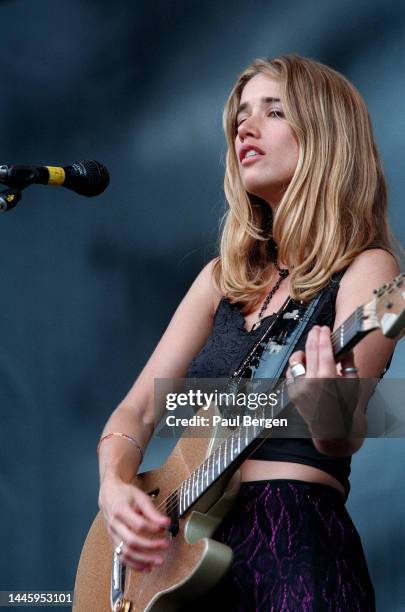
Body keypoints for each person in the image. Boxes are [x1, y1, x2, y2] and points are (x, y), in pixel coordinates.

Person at [97, 55, 400, 611]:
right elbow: (136, 413)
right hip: (183, 557)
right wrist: (115, 487)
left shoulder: (370, 272)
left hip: (291, 538)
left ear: (327, 137)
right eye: (241, 116)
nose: (245, 127)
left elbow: (345, 431)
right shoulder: (220, 279)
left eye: (274, 111)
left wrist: (329, 412)